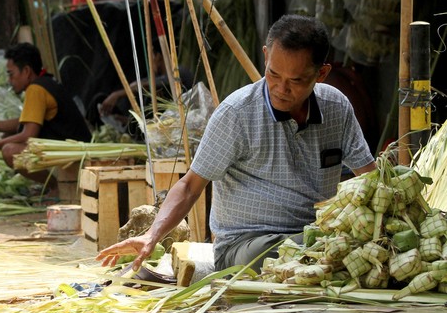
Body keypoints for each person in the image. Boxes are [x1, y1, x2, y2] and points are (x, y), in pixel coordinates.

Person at [96, 15, 377, 272]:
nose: (281, 89)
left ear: (322, 74)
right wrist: (151, 234)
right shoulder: (237, 113)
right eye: (273, 74)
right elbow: (189, 186)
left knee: (346, 246)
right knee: (288, 253)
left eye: (296, 81)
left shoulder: (336, 106)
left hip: (316, 235)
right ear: (266, 56)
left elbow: (370, 179)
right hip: (247, 244)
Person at [0, 43, 91, 195]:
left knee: (10, 151)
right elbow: (24, 122)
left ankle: (57, 186)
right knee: (8, 138)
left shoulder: (36, 89)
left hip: (75, 156)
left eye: (11, 74)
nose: (10, 80)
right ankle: (56, 184)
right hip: (72, 149)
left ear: (26, 71)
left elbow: (27, 135)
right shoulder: (45, 82)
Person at [98, 46, 194, 136]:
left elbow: (152, 84)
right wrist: (128, 121)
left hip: (188, 129)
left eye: (151, 56)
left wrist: (117, 95)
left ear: (158, 56)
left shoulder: (178, 73)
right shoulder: (162, 83)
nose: (150, 62)